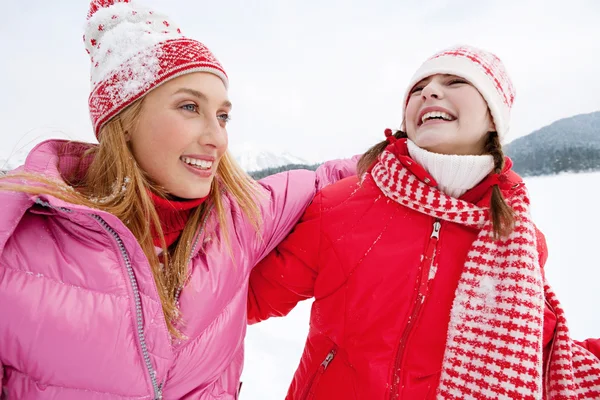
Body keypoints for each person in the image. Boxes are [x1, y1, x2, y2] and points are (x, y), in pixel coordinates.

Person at [0, 1, 357, 399]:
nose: (217, 138)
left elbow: (331, 177)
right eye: (190, 107)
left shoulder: (237, 221)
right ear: (125, 119)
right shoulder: (17, 239)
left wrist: (422, 142)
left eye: (222, 116)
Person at [248, 45, 600, 399]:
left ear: (494, 117)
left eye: (455, 81)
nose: (430, 91)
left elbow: (534, 351)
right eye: (418, 89)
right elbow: (247, 299)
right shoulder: (341, 205)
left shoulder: (514, 238)